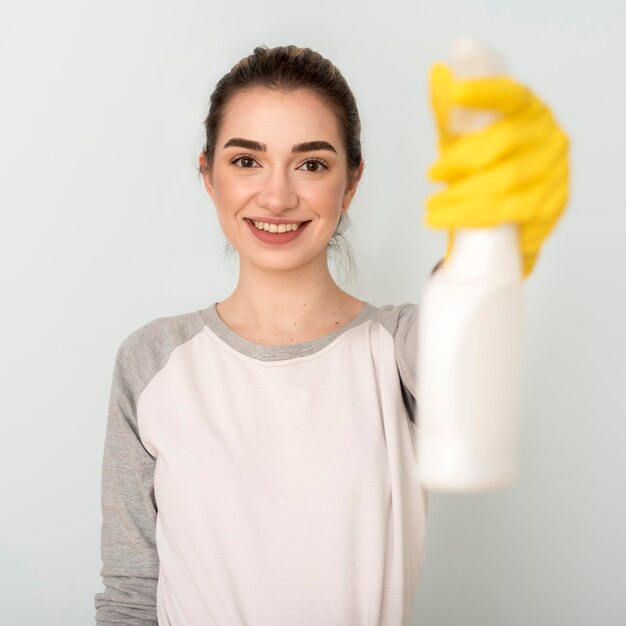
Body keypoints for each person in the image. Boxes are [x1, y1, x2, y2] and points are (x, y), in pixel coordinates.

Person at [94, 44, 568, 625]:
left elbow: (466, 343)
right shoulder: (151, 361)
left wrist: (492, 239)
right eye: (246, 161)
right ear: (208, 176)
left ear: (350, 183)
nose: (276, 197)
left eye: (311, 164)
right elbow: (131, 596)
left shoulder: (400, 351)